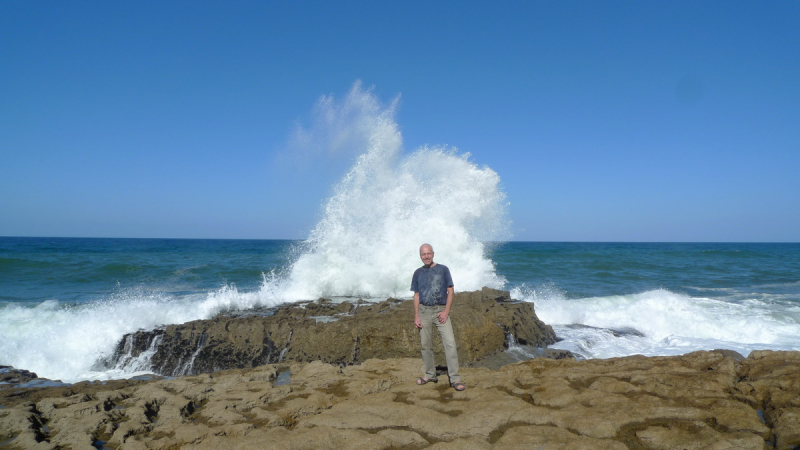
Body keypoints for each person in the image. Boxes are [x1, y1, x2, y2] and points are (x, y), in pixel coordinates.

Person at [411, 243, 465, 391]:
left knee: (450, 344)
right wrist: (416, 316)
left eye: (428, 253)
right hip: (424, 312)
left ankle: (455, 378)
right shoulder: (417, 273)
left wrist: (446, 311)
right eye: (423, 254)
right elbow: (416, 295)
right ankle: (430, 374)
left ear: (433, 254)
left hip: (441, 310)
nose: (426, 256)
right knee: (425, 345)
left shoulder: (443, 269)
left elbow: (451, 291)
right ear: (420, 256)